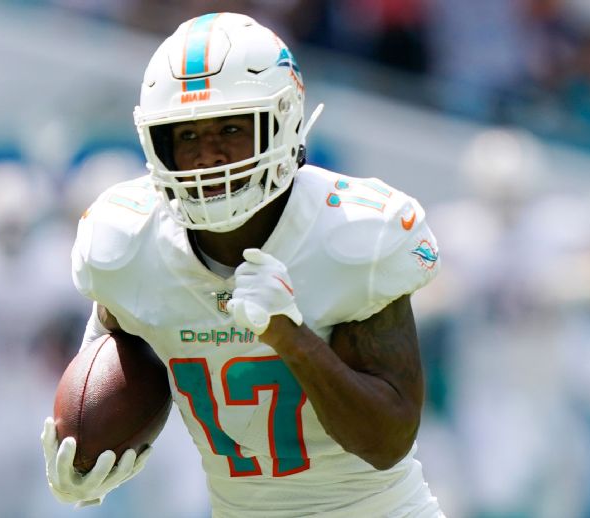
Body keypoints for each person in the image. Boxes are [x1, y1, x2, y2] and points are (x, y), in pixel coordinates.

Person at [41, 12, 443, 516]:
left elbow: (388, 441)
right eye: (186, 137)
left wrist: (289, 338)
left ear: (282, 121)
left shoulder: (352, 235)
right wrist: (82, 455)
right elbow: (108, 353)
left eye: (230, 128)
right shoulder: (127, 240)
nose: (208, 156)